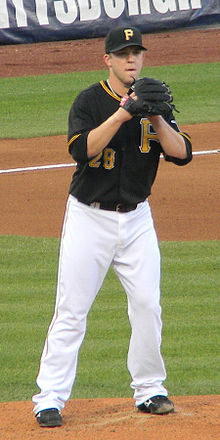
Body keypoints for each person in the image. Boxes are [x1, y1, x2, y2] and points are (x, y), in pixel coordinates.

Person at [32, 26, 192, 427]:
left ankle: (150, 389)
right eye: (123, 54)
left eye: (136, 52)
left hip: (137, 220)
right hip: (90, 218)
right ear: (108, 59)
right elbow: (81, 150)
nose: (131, 59)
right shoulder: (89, 100)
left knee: (147, 306)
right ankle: (49, 398)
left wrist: (154, 114)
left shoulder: (155, 99)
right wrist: (124, 111)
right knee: (72, 310)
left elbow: (182, 153)